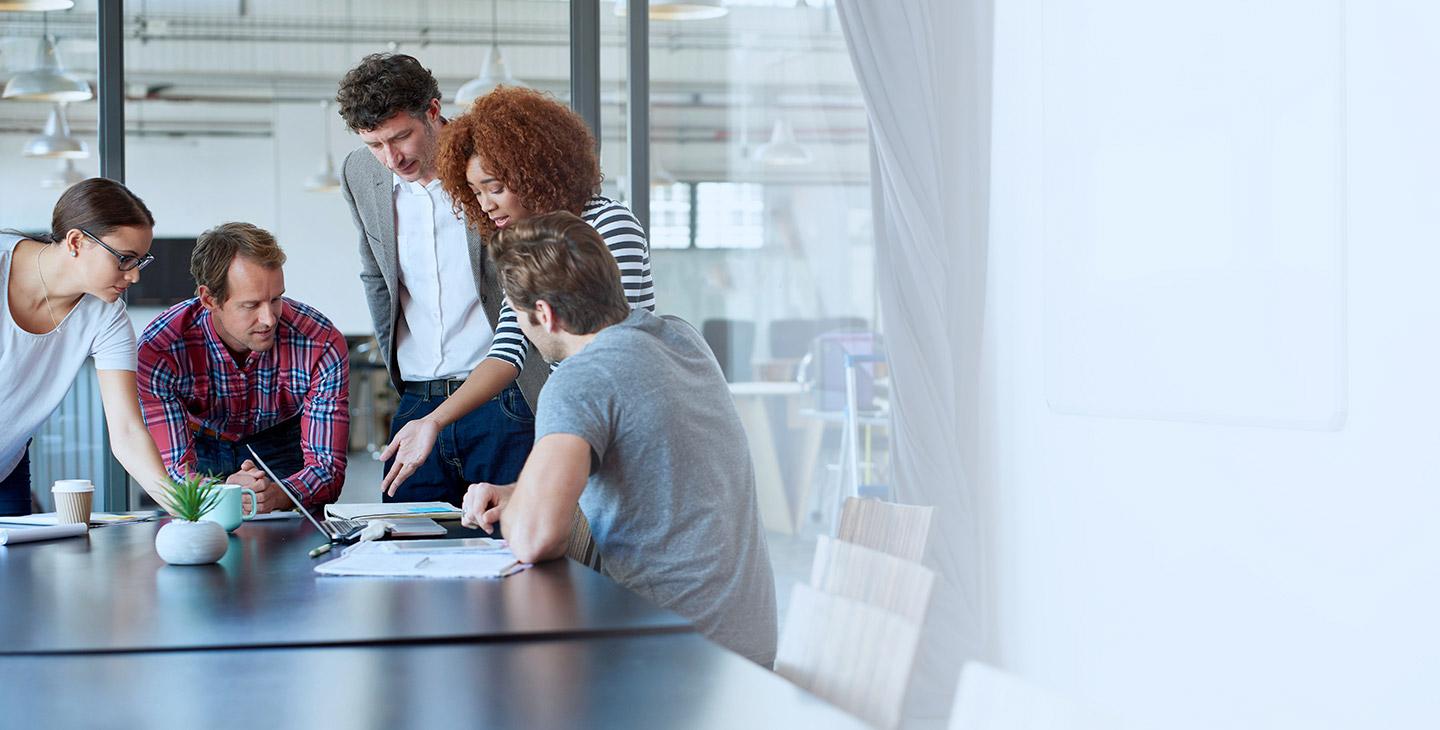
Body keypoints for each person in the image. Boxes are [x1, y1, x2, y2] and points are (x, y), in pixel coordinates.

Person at [460, 212, 776, 666]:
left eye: (518, 316)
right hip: (748, 646)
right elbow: (650, 471)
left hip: (673, 654)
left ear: (544, 315)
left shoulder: (579, 379)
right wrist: (519, 493)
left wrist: (526, 506)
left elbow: (534, 539)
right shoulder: (682, 339)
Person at [379, 83, 656, 497]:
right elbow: (507, 350)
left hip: (614, 429)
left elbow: (612, 354)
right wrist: (432, 422)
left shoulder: (608, 225)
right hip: (574, 422)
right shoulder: (521, 246)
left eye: (495, 186)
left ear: (535, 169)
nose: (486, 205)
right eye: (475, 192)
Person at [336, 53, 541, 507]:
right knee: (405, 550)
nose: (391, 158)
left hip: (503, 398)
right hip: (417, 398)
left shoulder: (487, 164)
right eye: (374, 144)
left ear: (433, 111)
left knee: (508, 551)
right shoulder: (359, 173)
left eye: (401, 137)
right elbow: (375, 272)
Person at [136, 223, 348, 512]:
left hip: (281, 445)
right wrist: (223, 493)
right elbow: (174, 474)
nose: (270, 319)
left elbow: (327, 470)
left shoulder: (320, 341)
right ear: (209, 299)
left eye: (276, 299)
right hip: (198, 447)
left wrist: (279, 495)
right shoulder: (161, 348)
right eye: (251, 305)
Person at [0, 178, 174, 515]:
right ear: (77, 241)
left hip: (7, 466)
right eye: (125, 258)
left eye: (140, 261)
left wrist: (182, 506)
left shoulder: (107, 316)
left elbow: (126, 431)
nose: (134, 275)